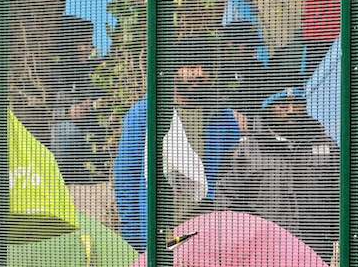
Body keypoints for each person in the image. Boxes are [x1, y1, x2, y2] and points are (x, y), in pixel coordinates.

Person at [113, 41, 242, 251]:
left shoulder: (223, 116)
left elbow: (233, 172)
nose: (199, 73)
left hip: (209, 228)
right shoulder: (146, 113)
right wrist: (134, 235)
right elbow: (127, 174)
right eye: (191, 66)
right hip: (160, 227)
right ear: (174, 70)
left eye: (205, 67)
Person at [214, 66, 339, 263]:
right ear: (267, 107)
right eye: (282, 105)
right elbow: (227, 200)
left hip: (315, 248)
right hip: (264, 251)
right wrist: (239, 243)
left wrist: (336, 235)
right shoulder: (246, 152)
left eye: (296, 103)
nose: (291, 111)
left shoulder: (325, 145)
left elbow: (339, 193)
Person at [49, 16, 106, 184]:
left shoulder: (99, 69)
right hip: (66, 131)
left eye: (90, 42)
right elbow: (46, 108)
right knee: (68, 131)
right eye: (85, 42)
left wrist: (92, 103)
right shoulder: (57, 71)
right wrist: (67, 112)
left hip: (93, 131)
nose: (91, 47)